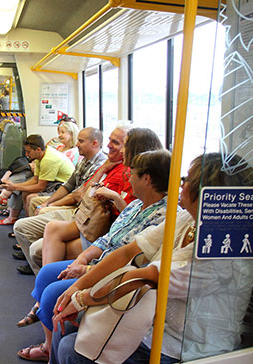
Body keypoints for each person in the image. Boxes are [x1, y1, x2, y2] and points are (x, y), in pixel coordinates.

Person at [50, 153, 253, 364]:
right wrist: (74, 289)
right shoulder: (188, 219)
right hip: (152, 321)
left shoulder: (221, 255)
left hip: (185, 346)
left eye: (186, 180)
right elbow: (128, 251)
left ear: (204, 193)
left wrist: (80, 299)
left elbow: (141, 278)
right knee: (65, 325)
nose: (180, 184)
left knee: (70, 349)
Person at [16, 149, 172, 362]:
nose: (128, 177)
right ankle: (48, 344)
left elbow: (134, 263)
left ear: (146, 179)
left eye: (132, 173)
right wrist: (82, 258)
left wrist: (86, 270)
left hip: (112, 275)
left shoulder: (164, 217)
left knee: (53, 294)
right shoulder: (135, 205)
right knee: (46, 273)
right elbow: (107, 239)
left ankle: (51, 351)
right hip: (99, 261)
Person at [39, 128, 163, 266]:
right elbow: (84, 191)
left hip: (103, 227)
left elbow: (127, 222)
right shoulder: (113, 167)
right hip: (95, 221)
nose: (111, 146)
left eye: (120, 144)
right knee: (50, 229)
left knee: (42, 249)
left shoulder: (135, 182)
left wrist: (114, 197)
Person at [13, 127, 107, 275]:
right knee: (36, 203)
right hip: (73, 204)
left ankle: (39, 267)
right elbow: (68, 186)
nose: (77, 144)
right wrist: (48, 202)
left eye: (81, 141)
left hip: (80, 210)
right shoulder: (84, 161)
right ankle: (37, 261)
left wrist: (50, 204)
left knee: (38, 210)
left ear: (94, 143)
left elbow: (77, 195)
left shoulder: (100, 165)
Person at [0, 134, 75, 225]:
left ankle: (31, 226)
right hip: (54, 183)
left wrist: (15, 187)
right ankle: (26, 224)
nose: (26, 155)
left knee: (31, 197)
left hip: (63, 188)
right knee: (25, 192)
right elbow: (35, 180)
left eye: (28, 152)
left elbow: (40, 187)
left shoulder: (48, 160)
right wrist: (14, 186)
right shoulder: (40, 156)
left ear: (38, 149)